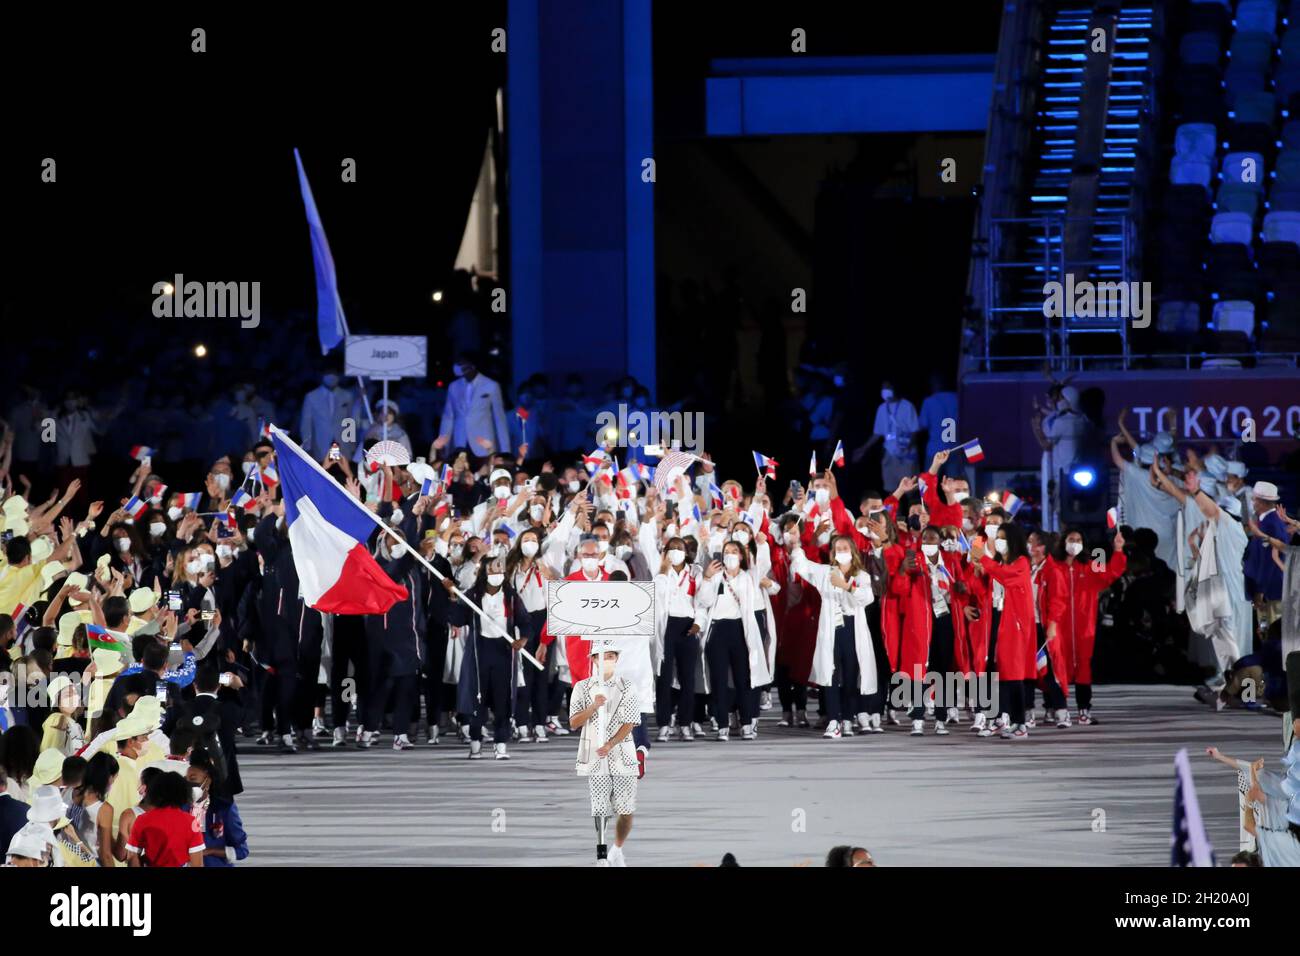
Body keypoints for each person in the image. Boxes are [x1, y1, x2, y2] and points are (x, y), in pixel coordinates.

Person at [789, 534, 876, 738]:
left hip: (852, 630)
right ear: (833, 553)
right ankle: (834, 721)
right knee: (830, 675)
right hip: (831, 630)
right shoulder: (825, 572)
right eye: (838, 548)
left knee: (851, 675)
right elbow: (803, 566)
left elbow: (867, 598)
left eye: (846, 547)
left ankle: (848, 718)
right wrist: (796, 545)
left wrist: (847, 586)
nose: (842, 551)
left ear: (852, 551)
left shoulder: (861, 576)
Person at [570, 642, 640, 866]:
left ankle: (617, 848)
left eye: (611, 656)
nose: (607, 660)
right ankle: (601, 854)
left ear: (617, 659)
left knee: (625, 808)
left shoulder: (627, 686)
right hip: (595, 754)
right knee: (599, 804)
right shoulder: (582, 688)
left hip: (622, 752)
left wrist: (611, 744)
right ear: (594, 660)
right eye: (603, 656)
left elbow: (630, 722)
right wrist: (593, 707)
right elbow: (573, 722)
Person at [971, 522, 1035, 737]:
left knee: (1014, 674)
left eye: (1002, 537)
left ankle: (1020, 724)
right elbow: (986, 587)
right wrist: (979, 567)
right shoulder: (999, 562)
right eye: (997, 537)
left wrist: (984, 559)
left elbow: (1007, 576)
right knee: (1000, 673)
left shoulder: (1022, 562)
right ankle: (1000, 718)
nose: (998, 541)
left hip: (1015, 625)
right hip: (998, 622)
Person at [434, 353, 511, 459]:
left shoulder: (491, 385)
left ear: (472, 365)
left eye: (461, 363)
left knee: (484, 473)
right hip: (460, 442)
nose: (457, 366)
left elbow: (499, 419)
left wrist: (505, 451)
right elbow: (448, 417)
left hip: (483, 441)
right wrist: (443, 443)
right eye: (457, 363)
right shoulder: (453, 386)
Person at [125, 771, 205, 867]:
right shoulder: (192, 822)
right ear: (184, 793)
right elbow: (198, 864)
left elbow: (132, 857)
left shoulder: (142, 820)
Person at [860, 381, 918, 492]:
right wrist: (863, 449)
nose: (885, 390)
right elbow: (877, 433)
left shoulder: (907, 406)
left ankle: (913, 508)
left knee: (910, 490)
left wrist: (907, 449)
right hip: (889, 453)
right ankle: (896, 509)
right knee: (892, 490)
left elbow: (914, 431)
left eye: (888, 387)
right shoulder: (881, 408)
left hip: (906, 453)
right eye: (883, 387)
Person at [70, 751, 118, 867]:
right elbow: (105, 855)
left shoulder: (70, 791)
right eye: (114, 778)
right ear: (109, 778)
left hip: (66, 858)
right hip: (88, 862)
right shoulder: (104, 809)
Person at [298, 370, 353, 457]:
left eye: (334, 373)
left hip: (343, 446)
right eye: (328, 373)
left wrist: (352, 446)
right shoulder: (311, 396)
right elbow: (306, 424)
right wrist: (308, 447)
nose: (331, 377)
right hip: (320, 447)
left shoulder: (347, 396)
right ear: (322, 375)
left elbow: (350, 422)